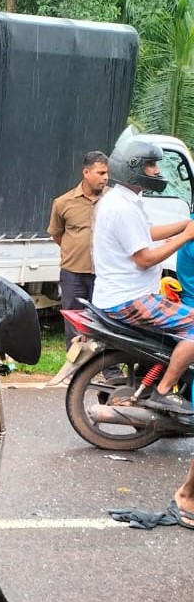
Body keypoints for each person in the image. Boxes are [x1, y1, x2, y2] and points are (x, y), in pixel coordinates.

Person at [91, 137, 194, 415]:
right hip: (128, 299)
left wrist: (184, 224)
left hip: (123, 293)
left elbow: (146, 233)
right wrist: (185, 236)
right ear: (133, 167)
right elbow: (144, 257)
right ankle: (162, 393)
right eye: (151, 165)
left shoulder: (125, 200)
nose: (156, 171)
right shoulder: (122, 208)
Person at [48, 151, 109, 345]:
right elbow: (58, 234)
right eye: (100, 173)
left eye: (107, 173)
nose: (105, 178)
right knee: (75, 324)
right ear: (86, 172)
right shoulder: (63, 203)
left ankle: (109, 369)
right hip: (73, 274)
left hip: (104, 273)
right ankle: (78, 372)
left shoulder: (113, 201)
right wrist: (75, 250)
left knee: (104, 323)